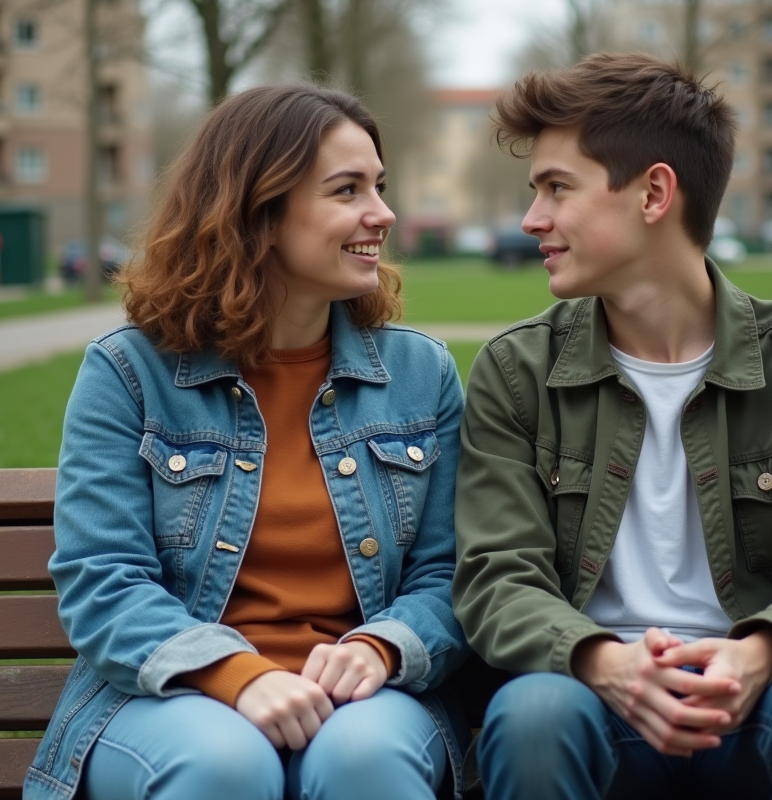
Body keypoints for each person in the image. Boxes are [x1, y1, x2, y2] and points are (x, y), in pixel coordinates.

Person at [452, 53, 772, 800]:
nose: (531, 218)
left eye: (557, 188)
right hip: (594, 707)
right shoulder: (518, 372)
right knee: (532, 712)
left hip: (762, 708)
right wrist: (607, 663)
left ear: (654, 193)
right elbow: (496, 578)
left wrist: (759, 652)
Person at [24, 85, 470, 800]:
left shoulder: (421, 375)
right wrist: (238, 675)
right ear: (259, 211)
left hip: (365, 702)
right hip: (174, 698)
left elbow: (450, 572)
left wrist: (384, 646)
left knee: (366, 764)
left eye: (379, 187)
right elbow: (103, 580)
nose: (382, 214)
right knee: (225, 767)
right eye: (346, 190)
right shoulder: (129, 374)